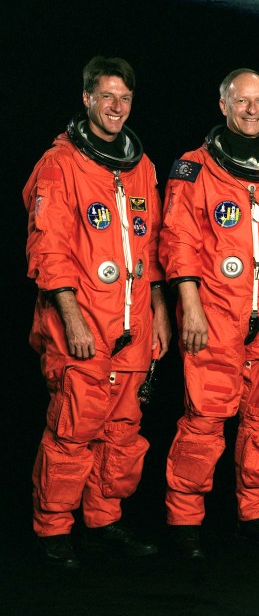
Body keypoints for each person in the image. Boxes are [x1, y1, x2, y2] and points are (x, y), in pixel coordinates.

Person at [25, 56, 172, 568]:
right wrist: (72, 320)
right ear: (86, 98)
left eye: (124, 98)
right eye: (106, 96)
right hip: (82, 325)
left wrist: (159, 314)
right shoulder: (59, 165)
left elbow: (152, 249)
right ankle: (53, 529)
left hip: (132, 327)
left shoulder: (142, 167)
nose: (115, 107)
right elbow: (49, 252)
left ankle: (104, 520)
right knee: (72, 430)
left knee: (122, 432)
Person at [160, 69, 259, 558]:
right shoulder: (193, 168)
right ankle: (185, 521)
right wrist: (190, 309)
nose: (252, 110)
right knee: (204, 420)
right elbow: (178, 244)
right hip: (215, 316)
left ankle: (256, 515)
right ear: (222, 104)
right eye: (241, 101)